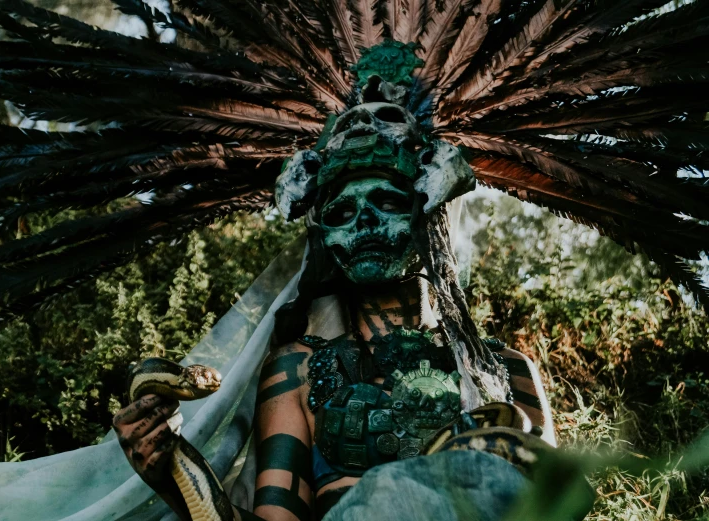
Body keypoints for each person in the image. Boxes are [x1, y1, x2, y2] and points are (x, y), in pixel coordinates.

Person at [113, 41, 556, 521]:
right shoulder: (295, 372)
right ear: (323, 235)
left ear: (429, 210)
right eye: (343, 212)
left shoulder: (508, 371)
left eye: (386, 202)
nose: (364, 224)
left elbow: (558, 505)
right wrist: (174, 472)